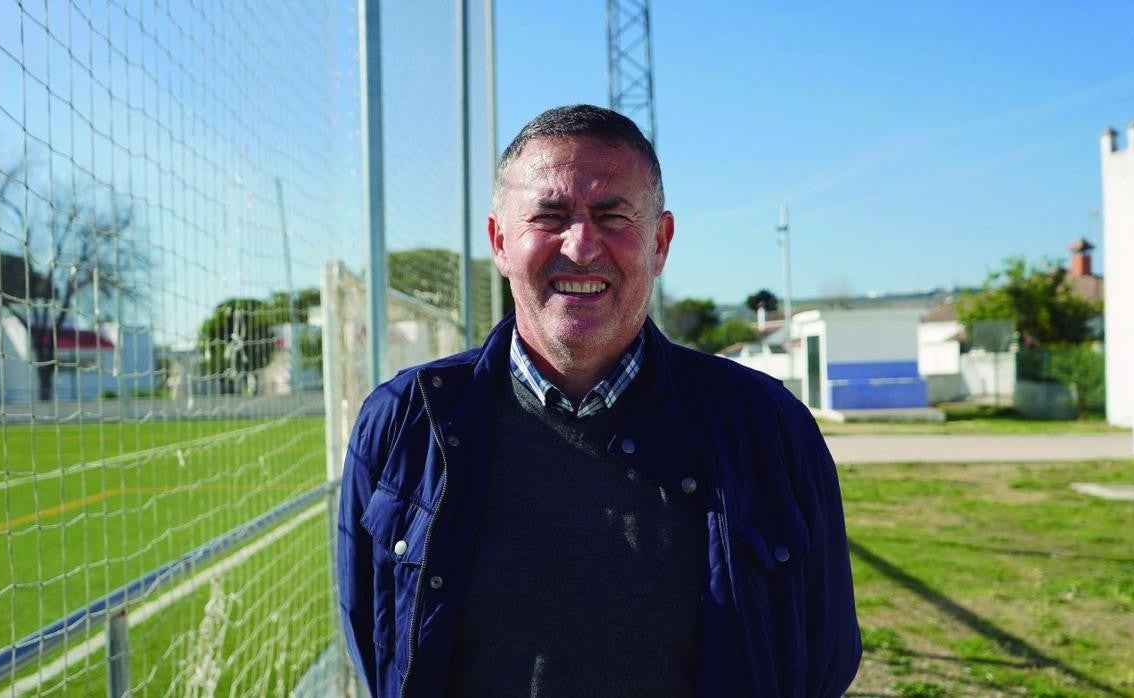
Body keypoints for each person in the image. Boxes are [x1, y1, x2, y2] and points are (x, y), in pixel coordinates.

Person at [337, 104, 861, 697]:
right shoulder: (405, 422)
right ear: (500, 241)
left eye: (613, 216)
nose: (582, 246)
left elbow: (824, 655)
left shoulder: (766, 425)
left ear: (659, 242)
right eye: (550, 215)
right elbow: (377, 642)